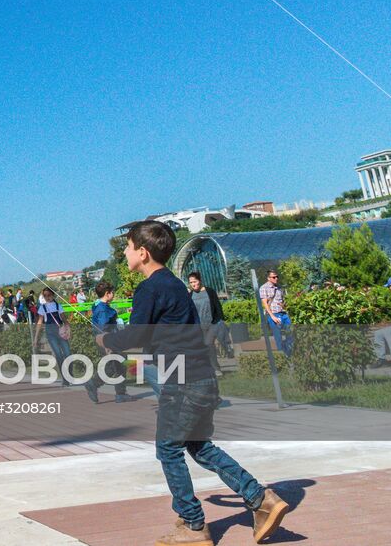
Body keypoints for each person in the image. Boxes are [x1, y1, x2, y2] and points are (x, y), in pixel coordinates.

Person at [99, 221, 287, 546]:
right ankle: (261, 499)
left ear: (142, 253)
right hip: (200, 376)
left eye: (128, 247)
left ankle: (193, 525)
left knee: (168, 450)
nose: (126, 253)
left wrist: (107, 340)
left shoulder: (149, 289)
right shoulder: (172, 284)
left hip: (181, 380)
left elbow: (137, 333)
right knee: (198, 446)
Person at [86, 281, 129, 404]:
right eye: (112, 292)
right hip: (107, 342)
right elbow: (103, 328)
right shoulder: (103, 310)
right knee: (111, 367)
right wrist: (107, 345)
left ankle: (120, 394)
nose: (113, 294)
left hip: (110, 340)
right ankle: (93, 384)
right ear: (107, 293)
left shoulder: (99, 305)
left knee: (119, 365)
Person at [186, 272, 228, 375]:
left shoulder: (210, 291)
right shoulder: (190, 295)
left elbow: (217, 306)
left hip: (212, 324)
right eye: (191, 282)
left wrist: (220, 320)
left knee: (209, 344)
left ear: (200, 280)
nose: (193, 284)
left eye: (195, 281)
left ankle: (216, 369)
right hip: (199, 326)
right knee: (205, 347)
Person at [37, 287, 71, 386]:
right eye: (45, 296)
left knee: (68, 353)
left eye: (49, 295)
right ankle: (65, 378)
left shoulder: (58, 305)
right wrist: (36, 337)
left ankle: (69, 373)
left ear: (53, 295)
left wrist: (68, 329)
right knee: (59, 355)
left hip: (60, 331)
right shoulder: (42, 307)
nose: (47, 297)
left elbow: (64, 319)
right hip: (50, 332)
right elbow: (40, 322)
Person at [258, 269, 293, 357]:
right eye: (274, 277)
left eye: (277, 276)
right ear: (268, 278)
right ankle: (282, 356)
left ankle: (287, 350)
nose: (276, 278)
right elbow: (265, 304)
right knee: (278, 337)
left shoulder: (279, 287)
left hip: (283, 314)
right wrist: (272, 316)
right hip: (274, 315)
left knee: (291, 333)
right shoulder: (263, 288)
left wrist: (284, 305)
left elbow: (282, 300)